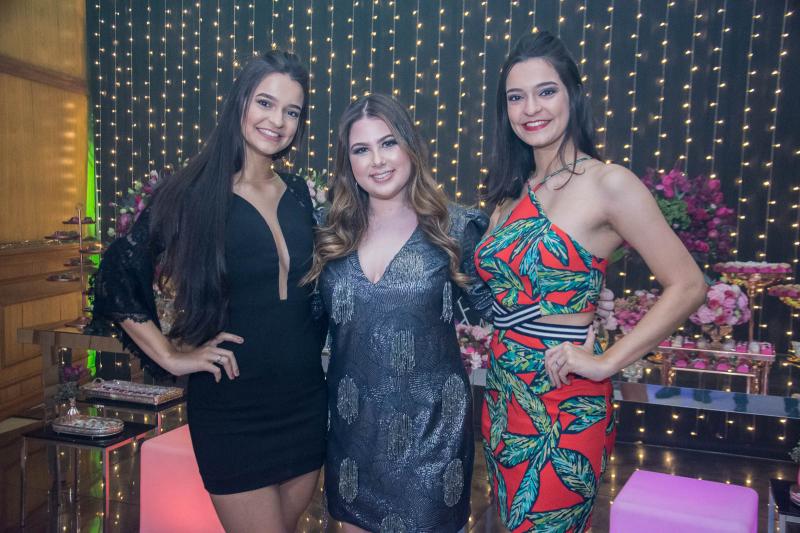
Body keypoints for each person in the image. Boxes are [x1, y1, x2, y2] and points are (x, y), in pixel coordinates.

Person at [475, 31, 706, 532]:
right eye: (516, 97)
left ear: (573, 95)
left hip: (565, 401)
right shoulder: (509, 195)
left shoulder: (608, 183)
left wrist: (606, 362)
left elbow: (689, 285)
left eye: (546, 91)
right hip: (503, 396)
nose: (531, 108)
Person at [89, 51, 327, 532]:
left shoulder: (300, 193)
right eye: (265, 102)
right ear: (240, 102)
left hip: (304, 402)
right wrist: (172, 356)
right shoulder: (194, 192)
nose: (277, 121)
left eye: (292, 111)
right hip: (233, 408)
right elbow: (117, 269)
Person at [303, 93, 493, 532]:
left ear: (410, 146)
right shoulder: (328, 231)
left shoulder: (455, 227)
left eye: (388, 143)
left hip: (433, 442)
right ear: (347, 162)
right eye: (361, 149)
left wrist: (570, 314)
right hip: (353, 437)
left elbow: (502, 309)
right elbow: (300, 323)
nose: (377, 161)